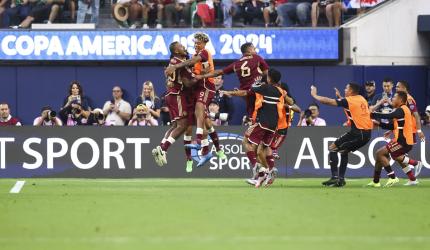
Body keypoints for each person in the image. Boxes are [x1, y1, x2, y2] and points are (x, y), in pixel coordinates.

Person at [165, 33, 225, 168]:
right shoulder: (190, 57)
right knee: (192, 125)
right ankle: (192, 159)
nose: (196, 45)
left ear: (204, 43)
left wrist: (177, 67)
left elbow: (195, 66)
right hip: (193, 91)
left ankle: (209, 147)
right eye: (195, 43)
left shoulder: (203, 53)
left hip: (205, 87)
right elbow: (189, 72)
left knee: (204, 119)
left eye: (199, 43)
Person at [311, 83, 373, 187]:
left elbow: (328, 101)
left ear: (351, 91)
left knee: (332, 148)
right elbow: (350, 107)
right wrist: (340, 98)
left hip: (358, 133)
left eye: (346, 88)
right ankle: (341, 180)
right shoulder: (361, 98)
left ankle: (335, 177)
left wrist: (315, 95)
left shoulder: (350, 100)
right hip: (366, 134)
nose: (345, 90)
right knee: (344, 151)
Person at [152, 42, 199, 171]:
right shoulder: (179, 61)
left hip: (171, 95)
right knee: (183, 126)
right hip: (177, 95)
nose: (184, 47)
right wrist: (199, 78)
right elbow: (187, 83)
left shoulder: (175, 60)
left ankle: (161, 147)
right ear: (176, 51)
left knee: (175, 126)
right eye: (181, 46)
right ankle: (163, 148)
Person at [196, 42, 269, 118]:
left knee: (252, 115)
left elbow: (219, 72)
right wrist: (261, 80)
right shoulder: (256, 57)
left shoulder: (236, 64)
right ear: (249, 50)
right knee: (262, 116)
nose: (255, 50)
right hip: (257, 93)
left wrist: (203, 76)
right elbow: (267, 74)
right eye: (254, 48)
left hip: (246, 93)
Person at [367, 91, 421, 187]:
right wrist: (379, 123)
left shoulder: (401, 110)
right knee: (384, 156)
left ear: (400, 100)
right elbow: (392, 126)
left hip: (403, 141)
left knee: (380, 153)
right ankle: (376, 181)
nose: (392, 99)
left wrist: (373, 114)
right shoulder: (402, 110)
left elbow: (389, 116)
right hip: (401, 140)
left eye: (394, 97)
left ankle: (394, 176)